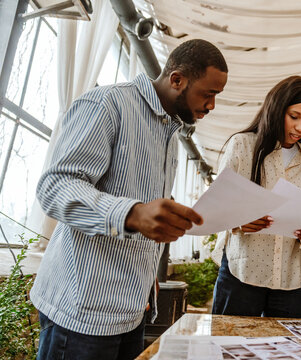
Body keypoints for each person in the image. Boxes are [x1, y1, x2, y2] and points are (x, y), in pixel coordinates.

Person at [30, 39, 228, 359]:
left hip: (132, 312)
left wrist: (147, 277)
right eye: (209, 93)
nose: (212, 105)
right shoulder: (107, 104)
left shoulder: (170, 138)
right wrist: (132, 213)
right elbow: (56, 186)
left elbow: (149, 216)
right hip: (81, 315)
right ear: (177, 79)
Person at [211, 76, 301, 318]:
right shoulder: (242, 146)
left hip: (290, 277)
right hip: (242, 271)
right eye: (294, 117)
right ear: (276, 110)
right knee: (229, 348)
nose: (300, 127)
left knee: (289, 352)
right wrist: (239, 221)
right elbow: (214, 206)